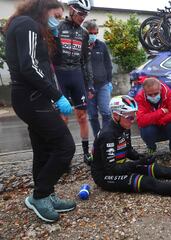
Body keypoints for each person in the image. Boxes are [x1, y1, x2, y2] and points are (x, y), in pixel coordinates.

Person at [5, 0, 76, 223]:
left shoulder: (26, 24)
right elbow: (30, 66)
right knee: (65, 147)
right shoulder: (27, 24)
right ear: (44, 8)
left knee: (43, 148)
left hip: (32, 97)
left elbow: (42, 64)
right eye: (57, 14)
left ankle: (46, 193)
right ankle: (40, 195)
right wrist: (57, 95)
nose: (58, 19)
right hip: (31, 97)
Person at [91, 95, 171, 199]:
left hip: (118, 167)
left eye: (134, 115)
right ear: (115, 116)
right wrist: (137, 163)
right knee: (149, 182)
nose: (133, 120)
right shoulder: (108, 135)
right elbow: (112, 169)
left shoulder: (124, 126)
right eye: (130, 117)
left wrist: (141, 157)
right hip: (105, 176)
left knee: (160, 170)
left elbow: (128, 150)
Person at [52, 0, 94, 165]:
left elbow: (85, 61)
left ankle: (85, 153)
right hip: (60, 74)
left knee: (83, 117)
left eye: (86, 14)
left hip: (76, 74)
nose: (83, 17)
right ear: (71, 9)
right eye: (81, 13)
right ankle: (64, 156)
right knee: (62, 118)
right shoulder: (57, 27)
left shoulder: (84, 33)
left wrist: (89, 84)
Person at [135, 77, 171, 158]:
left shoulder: (168, 93)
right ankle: (151, 148)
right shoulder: (140, 97)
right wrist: (162, 111)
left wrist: (157, 119)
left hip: (165, 126)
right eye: (150, 94)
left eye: (156, 93)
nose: (153, 96)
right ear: (144, 92)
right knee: (145, 128)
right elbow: (141, 121)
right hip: (152, 129)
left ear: (160, 89)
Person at [83, 20, 113, 137]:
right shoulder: (81, 47)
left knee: (106, 112)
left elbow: (108, 64)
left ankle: (105, 136)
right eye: (91, 33)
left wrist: (109, 81)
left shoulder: (102, 45)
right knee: (92, 115)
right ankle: (98, 138)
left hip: (103, 85)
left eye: (95, 33)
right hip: (87, 87)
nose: (93, 35)